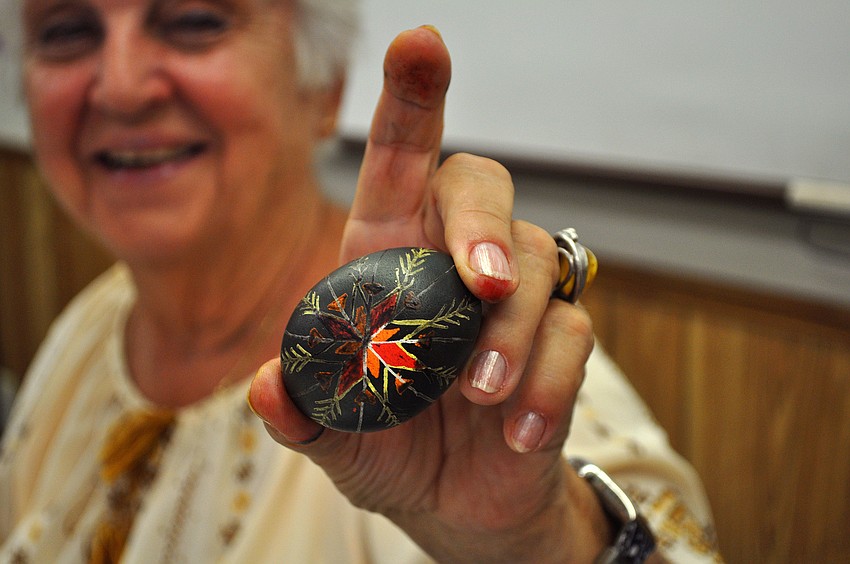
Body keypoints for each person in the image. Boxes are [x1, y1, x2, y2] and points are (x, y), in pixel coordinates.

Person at [0, 0, 721, 561]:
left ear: (325, 88)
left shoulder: (476, 384)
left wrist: (535, 545)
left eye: (194, 21)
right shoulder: (88, 329)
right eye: (64, 31)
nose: (120, 88)